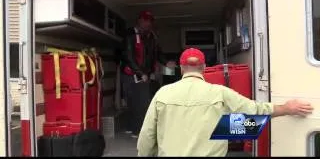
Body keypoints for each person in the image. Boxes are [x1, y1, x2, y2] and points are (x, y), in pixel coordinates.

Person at [137, 48, 314, 157]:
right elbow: (255, 110)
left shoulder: (163, 93)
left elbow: (147, 135)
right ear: (204, 67)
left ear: (181, 68)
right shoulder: (220, 93)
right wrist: (287, 108)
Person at [120, 10, 176, 138]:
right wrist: (140, 73)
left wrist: (166, 62)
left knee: (142, 102)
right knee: (133, 102)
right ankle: (134, 129)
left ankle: (135, 129)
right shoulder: (130, 34)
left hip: (144, 75)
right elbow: (128, 56)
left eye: (150, 21)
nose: (147, 23)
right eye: (145, 20)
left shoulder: (152, 37)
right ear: (139, 20)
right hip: (130, 74)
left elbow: (157, 53)